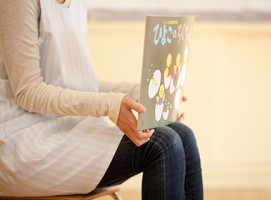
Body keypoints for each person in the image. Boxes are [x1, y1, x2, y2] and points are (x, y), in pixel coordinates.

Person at [0, 0, 203, 199]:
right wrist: (110, 105)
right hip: (25, 140)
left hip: (69, 129)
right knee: (163, 144)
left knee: (184, 135)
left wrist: (141, 95)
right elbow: (28, 92)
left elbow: (82, 85)